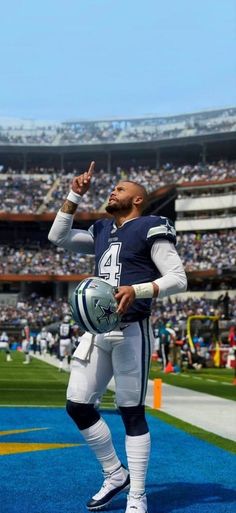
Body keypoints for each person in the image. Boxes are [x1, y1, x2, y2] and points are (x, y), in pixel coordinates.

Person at [48, 161, 187, 513]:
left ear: (138, 199)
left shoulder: (150, 226)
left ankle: (137, 495)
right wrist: (73, 195)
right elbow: (58, 236)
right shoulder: (100, 229)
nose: (113, 192)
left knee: (131, 413)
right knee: (77, 405)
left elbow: (177, 278)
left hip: (131, 330)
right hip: (96, 331)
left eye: (121, 189)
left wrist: (137, 289)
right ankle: (114, 473)